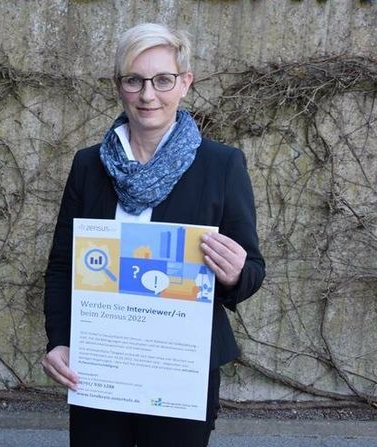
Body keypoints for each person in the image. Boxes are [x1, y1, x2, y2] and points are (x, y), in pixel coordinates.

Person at [41, 23, 265, 446]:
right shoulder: (89, 167)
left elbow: (252, 267)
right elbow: (61, 266)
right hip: (103, 369)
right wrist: (59, 340)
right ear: (119, 86)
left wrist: (236, 275)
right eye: (134, 80)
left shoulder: (220, 167)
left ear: (185, 83)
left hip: (180, 373)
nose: (148, 95)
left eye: (163, 80)